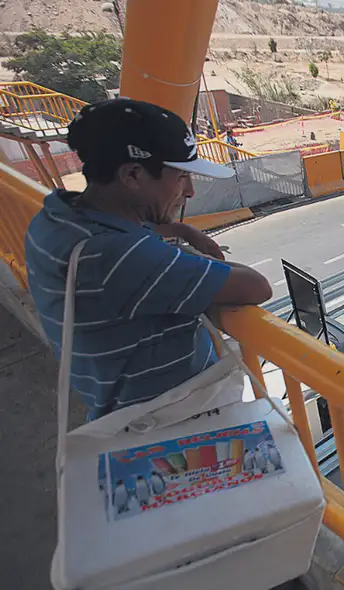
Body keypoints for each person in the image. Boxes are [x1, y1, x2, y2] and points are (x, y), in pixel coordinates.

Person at [25, 98, 272, 422]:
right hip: (169, 429)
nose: (190, 191)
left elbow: (128, 234)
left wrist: (179, 228)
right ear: (132, 175)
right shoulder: (120, 256)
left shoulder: (54, 220)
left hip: (113, 412)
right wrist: (186, 250)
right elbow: (256, 288)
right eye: (181, 177)